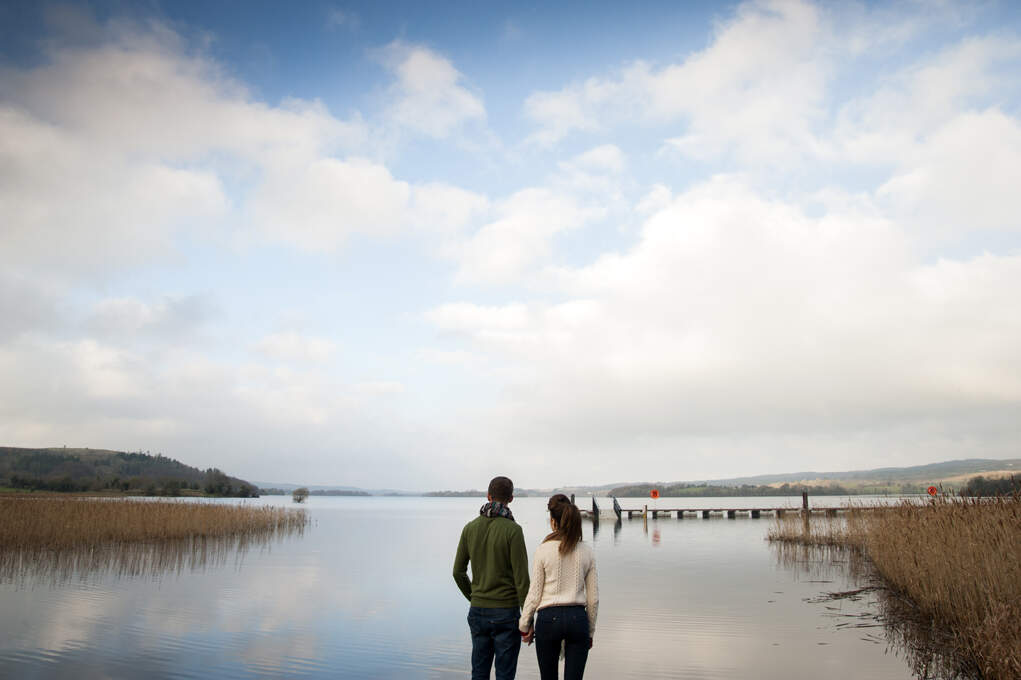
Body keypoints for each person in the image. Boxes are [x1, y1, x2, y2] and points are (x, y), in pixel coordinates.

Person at [454, 476, 531, 680]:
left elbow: (457, 572)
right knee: (505, 674)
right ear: (511, 499)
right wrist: (528, 617)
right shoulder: (513, 531)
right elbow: (522, 579)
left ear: (488, 496)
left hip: (478, 610)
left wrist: (474, 597)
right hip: (506, 611)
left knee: (479, 672)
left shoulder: (470, 528)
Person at [519, 494, 599, 680]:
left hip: (547, 620)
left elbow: (534, 593)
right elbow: (593, 599)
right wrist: (590, 631)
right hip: (578, 619)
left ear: (553, 521)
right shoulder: (587, 552)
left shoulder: (543, 550)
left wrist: (524, 625)